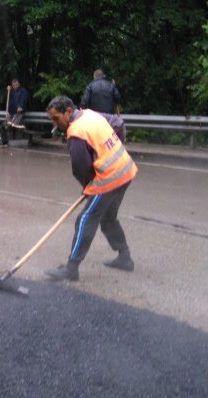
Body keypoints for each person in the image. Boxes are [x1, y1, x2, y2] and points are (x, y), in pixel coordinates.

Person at [43, 95, 137, 282]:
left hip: (110, 178)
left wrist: (89, 188)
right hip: (125, 170)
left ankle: (71, 268)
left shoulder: (76, 132)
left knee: (85, 218)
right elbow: (118, 123)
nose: (55, 123)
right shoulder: (90, 114)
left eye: (56, 118)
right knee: (108, 218)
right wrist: (114, 148)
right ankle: (125, 258)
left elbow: (81, 168)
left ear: (68, 111)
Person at [2, 78, 29, 145]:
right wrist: (7, 111)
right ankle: (8, 140)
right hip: (11, 112)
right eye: (13, 85)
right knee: (7, 124)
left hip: (19, 112)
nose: (15, 86)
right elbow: (8, 100)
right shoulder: (11, 91)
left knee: (14, 124)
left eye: (16, 85)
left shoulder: (23, 91)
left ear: (19, 84)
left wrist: (21, 106)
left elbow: (23, 99)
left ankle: (16, 140)